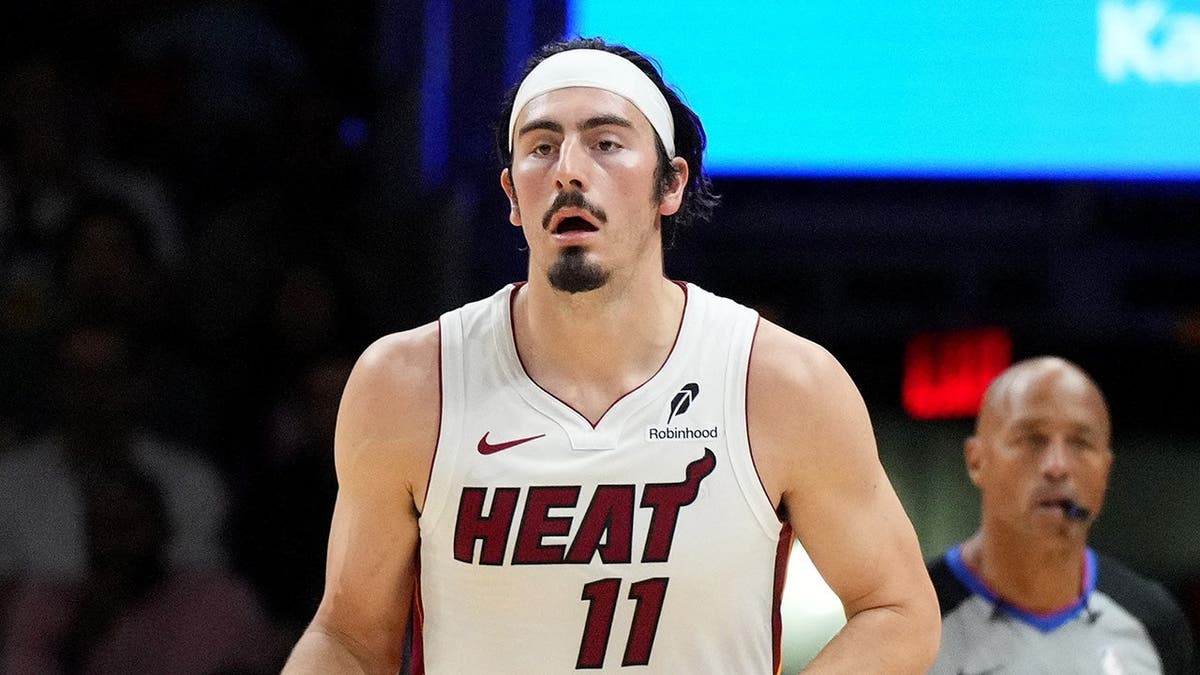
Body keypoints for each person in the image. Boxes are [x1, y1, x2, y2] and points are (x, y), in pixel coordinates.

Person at [283, 37, 939, 674]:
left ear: (670, 183)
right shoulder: (408, 383)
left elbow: (897, 607)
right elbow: (346, 636)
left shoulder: (780, 382)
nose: (568, 167)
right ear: (512, 196)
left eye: (605, 142)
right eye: (542, 147)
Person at [927, 356, 1195, 674]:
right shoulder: (918, 616)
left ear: (1106, 471)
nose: (1057, 466)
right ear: (976, 461)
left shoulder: (1154, 622)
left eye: (1080, 443)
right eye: (1031, 439)